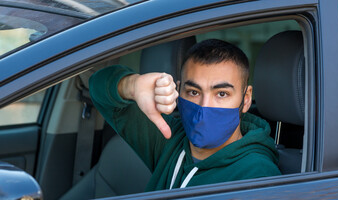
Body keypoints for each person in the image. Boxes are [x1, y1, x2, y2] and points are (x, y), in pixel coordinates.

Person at [89, 39, 281, 191]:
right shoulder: (169, 139)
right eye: (194, 92)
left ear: (246, 99)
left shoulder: (258, 175)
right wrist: (133, 85)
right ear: (179, 91)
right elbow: (98, 87)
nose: (204, 107)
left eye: (221, 94)